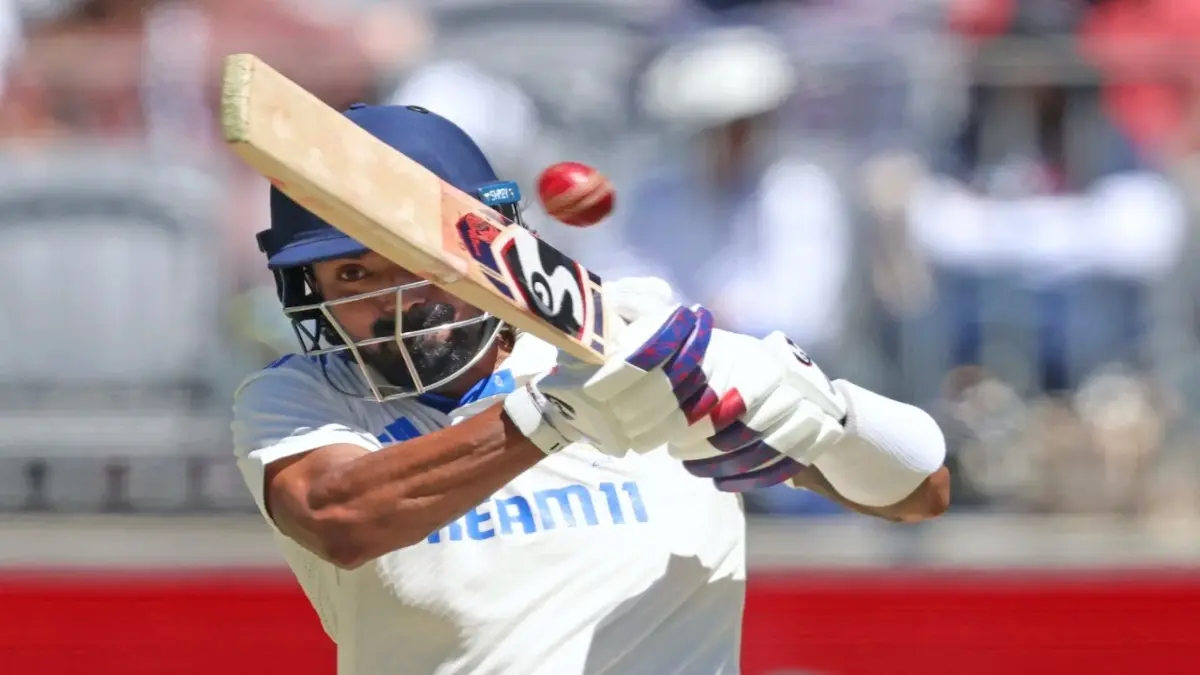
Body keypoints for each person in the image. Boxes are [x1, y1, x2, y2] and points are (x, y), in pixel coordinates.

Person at [232, 103, 950, 675]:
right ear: (309, 291)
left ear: (495, 246)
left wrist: (821, 413)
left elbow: (919, 495)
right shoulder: (304, 400)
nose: (399, 299)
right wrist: (553, 414)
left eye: (414, 258)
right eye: (353, 274)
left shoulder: (644, 354)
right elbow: (338, 516)